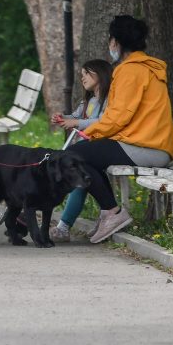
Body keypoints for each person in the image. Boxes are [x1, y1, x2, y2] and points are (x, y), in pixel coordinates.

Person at [66, 15, 173, 244]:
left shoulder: (130, 71)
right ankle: (110, 212)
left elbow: (117, 117)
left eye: (110, 41)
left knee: (74, 156)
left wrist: (91, 133)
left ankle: (112, 211)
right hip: (149, 144)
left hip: (145, 146)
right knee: (83, 154)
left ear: (115, 42)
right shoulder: (146, 67)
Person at [48, 59, 112, 241]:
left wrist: (75, 122)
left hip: (100, 148)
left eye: (86, 74)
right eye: (81, 74)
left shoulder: (108, 100)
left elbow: (103, 121)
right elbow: (75, 117)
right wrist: (63, 118)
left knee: (78, 177)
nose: (82, 78)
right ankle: (64, 225)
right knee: (79, 179)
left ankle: (64, 226)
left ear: (99, 74)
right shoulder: (89, 101)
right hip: (87, 150)